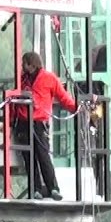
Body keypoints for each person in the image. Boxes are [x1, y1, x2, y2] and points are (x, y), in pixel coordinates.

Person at [12, 51, 77, 201]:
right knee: (29, 157)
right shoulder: (22, 81)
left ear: (30, 64)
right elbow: (13, 101)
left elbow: (64, 98)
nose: (22, 66)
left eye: (24, 63)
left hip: (39, 123)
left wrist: (76, 108)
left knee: (43, 155)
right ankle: (36, 190)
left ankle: (52, 188)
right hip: (23, 123)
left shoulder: (49, 79)